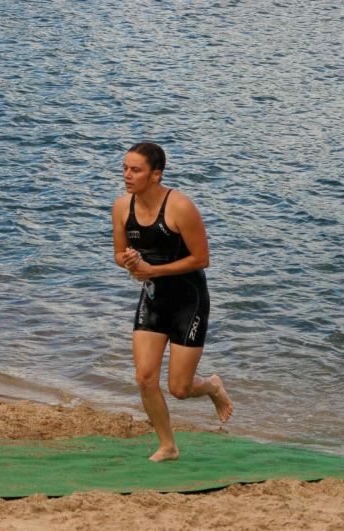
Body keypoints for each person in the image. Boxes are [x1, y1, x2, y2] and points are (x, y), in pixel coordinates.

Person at [111, 142, 233, 462]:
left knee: (180, 389)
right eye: (124, 168)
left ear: (156, 175)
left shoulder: (179, 207)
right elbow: (119, 254)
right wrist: (129, 261)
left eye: (135, 170)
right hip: (153, 299)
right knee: (144, 377)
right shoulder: (122, 207)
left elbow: (202, 258)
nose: (127, 175)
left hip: (188, 302)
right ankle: (168, 445)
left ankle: (212, 386)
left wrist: (153, 270)